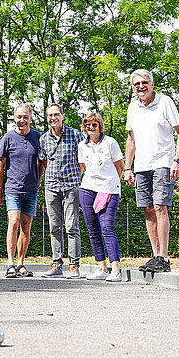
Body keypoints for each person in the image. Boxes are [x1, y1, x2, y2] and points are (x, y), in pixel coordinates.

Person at [124, 69, 179, 273]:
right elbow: (131, 139)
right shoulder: (133, 107)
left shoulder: (165, 102)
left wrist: (177, 161)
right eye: (137, 84)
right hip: (142, 166)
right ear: (133, 88)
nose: (141, 87)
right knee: (148, 210)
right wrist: (127, 167)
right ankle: (155, 255)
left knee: (160, 207)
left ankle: (164, 257)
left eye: (144, 83)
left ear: (151, 84)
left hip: (163, 163)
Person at [0, 103, 42, 278]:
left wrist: (38, 180)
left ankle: (21, 263)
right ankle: (10, 263)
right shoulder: (7, 138)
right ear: (15, 118)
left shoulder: (38, 137)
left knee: (26, 226)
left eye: (25, 117)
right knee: (13, 222)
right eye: (19, 117)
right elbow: (0, 165)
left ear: (30, 118)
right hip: (12, 188)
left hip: (31, 190)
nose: (22, 120)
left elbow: (42, 162)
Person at [78, 112, 124, 282]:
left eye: (94, 125)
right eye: (87, 125)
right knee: (93, 229)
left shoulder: (110, 143)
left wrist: (112, 185)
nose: (90, 128)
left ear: (100, 126)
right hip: (88, 188)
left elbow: (120, 166)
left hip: (109, 189)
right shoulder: (82, 146)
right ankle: (102, 268)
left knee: (107, 227)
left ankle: (115, 270)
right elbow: (84, 167)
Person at [39, 103, 84, 279]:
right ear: (47, 118)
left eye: (56, 114)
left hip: (71, 186)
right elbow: (43, 162)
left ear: (63, 116)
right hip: (51, 186)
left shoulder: (75, 135)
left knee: (72, 227)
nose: (53, 118)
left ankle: (74, 266)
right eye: (50, 115)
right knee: (54, 227)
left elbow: (83, 160)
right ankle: (56, 265)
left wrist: (77, 179)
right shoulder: (43, 139)